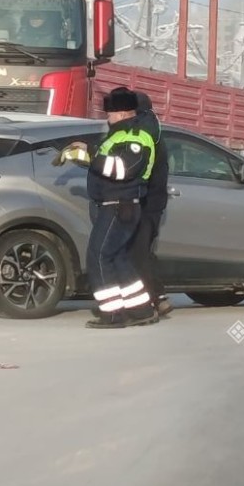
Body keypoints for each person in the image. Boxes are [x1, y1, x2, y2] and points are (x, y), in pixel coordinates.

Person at [58, 87, 160, 328]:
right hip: (117, 205)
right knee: (118, 257)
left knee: (99, 256)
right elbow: (107, 159)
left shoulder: (136, 137)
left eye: (111, 113)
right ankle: (141, 310)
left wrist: (90, 156)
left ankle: (113, 314)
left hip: (119, 205)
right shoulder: (120, 134)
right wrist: (86, 150)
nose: (108, 117)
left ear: (123, 113)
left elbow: (124, 169)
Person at [131, 91, 172, 317]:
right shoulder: (152, 127)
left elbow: (136, 168)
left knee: (138, 253)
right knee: (142, 252)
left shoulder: (141, 132)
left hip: (142, 201)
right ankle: (158, 297)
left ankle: (150, 301)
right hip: (152, 201)